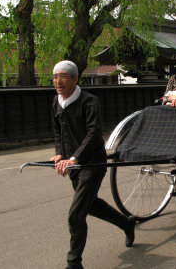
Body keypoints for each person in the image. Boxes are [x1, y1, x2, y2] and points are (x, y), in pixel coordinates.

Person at [50, 60, 137, 269]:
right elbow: (57, 130)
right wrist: (60, 153)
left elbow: (93, 133)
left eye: (63, 76)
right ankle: (127, 223)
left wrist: (74, 157)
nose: (58, 81)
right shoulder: (56, 101)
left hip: (92, 163)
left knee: (76, 214)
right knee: (90, 205)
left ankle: (74, 262)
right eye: (55, 77)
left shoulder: (89, 101)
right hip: (73, 164)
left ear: (75, 79)